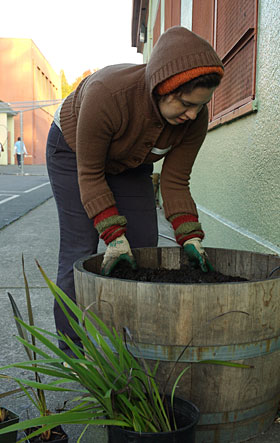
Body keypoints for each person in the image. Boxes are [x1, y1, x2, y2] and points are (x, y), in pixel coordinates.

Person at [46, 26, 224, 356]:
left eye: (201, 106)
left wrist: (190, 237)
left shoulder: (193, 120)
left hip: (130, 163)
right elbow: (90, 174)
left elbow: (174, 182)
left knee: (142, 244)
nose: (193, 115)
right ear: (162, 88)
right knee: (80, 250)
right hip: (73, 154)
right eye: (186, 104)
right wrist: (112, 234)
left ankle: (129, 348)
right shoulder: (107, 93)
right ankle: (72, 353)